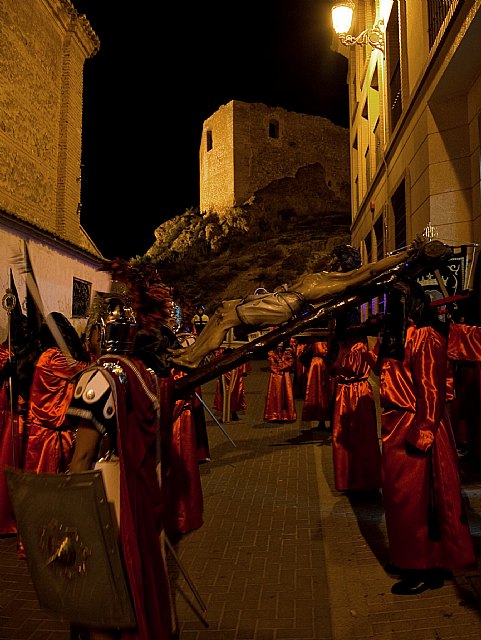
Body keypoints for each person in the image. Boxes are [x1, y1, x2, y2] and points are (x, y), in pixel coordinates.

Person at [67, 259, 177, 640]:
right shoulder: (145, 375)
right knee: (134, 581)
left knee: (100, 594)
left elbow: (82, 459)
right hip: (138, 490)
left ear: (100, 331)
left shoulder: (98, 379)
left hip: (106, 493)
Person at [169, 238, 432, 370]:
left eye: (339, 257)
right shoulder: (325, 276)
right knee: (222, 309)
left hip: (283, 306)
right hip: (276, 297)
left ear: (346, 262)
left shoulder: (343, 281)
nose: (334, 259)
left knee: (226, 318)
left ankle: (194, 359)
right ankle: (190, 352)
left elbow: (373, 269)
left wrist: (407, 253)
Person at [373, 278, 476, 595]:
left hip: (417, 425)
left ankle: (424, 567)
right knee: (401, 501)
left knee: (417, 503)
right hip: (396, 427)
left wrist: (424, 433)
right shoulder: (400, 335)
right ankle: (410, 557)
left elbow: (431, 391)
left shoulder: (425, 337)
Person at [22, 313, 90, 475]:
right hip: (46, 434)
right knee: (45, 481)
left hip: (51, 431)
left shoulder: (51, 355)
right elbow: (84, 369)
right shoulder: (53, 357)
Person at [328, 310, 381, 492]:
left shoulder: (358, 345)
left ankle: (363, 480)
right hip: (347, 392)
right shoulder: (348, 344)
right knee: (346, 435)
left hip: (357, 392)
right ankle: (350, 479)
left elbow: (348, 367)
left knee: (361, 435)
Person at [301, 337, 333, 430]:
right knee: (323, 393)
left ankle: (322, 420)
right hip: (323, 367)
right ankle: (324, 420)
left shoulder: (316, 357)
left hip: (318, 367)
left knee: (319, 392)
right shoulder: (323, 347)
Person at [263, 342, 297, 422]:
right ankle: (275, 414)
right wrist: (279, 369)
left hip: (285, 376)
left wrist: (282, 367)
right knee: (275, 394)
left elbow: (291, 362)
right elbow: (272, 364)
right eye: (278, 346)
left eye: (281, 346)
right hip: (276, 377)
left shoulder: (287, 353)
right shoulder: (271, 353)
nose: (279, 348)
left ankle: (286, 415)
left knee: (286, 394)